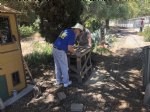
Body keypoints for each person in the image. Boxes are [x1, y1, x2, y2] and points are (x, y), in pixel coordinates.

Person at [52, 23, 83, 87]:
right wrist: (75, 52)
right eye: (80, 31)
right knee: (64, 67)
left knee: (57, 66)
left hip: (54, 49)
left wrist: (70, 48)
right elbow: (70, 48)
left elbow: (64, 41)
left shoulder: (67, 30)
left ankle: (58, 81)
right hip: (60, 51)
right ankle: (66, 82)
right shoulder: (72, 35)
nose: (80, 33)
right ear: (77, 30)